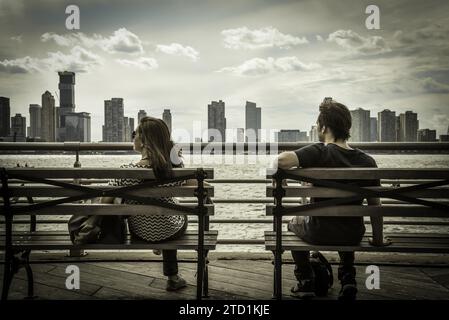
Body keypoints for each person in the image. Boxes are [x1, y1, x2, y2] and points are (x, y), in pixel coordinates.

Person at [276, 99, 390, 300]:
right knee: (347, 222)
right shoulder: (367, 161)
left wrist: (278, 167)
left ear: (324, 127)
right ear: (347, 127)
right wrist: (378, 239)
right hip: (352, 234)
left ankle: (305, 281)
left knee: (292, 223)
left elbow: (282, 161)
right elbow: (375, 205)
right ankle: (348, 280)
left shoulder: (319, 151)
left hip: (318, 232)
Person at [101, 116, 190, 291]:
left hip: (140, 232)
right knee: (175, 213)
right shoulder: (173, 170)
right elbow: (199, 186)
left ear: (144, 141)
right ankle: (173, 277)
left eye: (135, 134)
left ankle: (157, 240)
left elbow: (105, 201)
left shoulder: (127, 173)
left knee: (157, 214)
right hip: (170, 231)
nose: (133, 137)